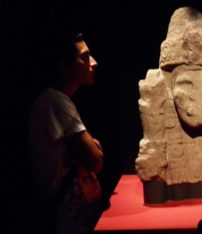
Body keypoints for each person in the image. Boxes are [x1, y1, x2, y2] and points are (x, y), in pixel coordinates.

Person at [28, 31, 104, 234]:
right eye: (85, 57)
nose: (94, 63)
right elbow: (95, 159)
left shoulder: (56, 100)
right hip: (66, 222)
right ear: (64, 67)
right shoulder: (56, 102)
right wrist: (91, 147)